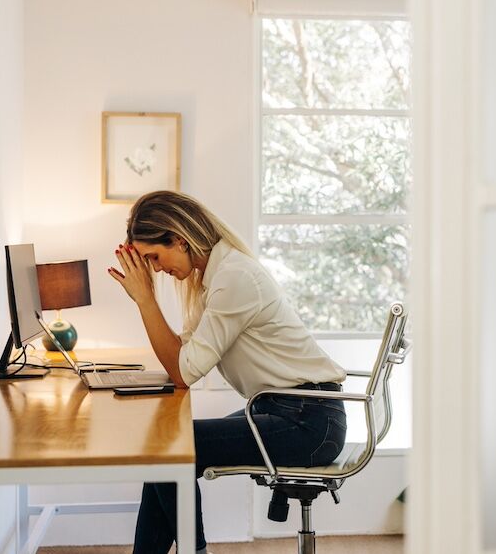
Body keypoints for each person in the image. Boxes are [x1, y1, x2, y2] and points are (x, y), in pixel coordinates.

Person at [109, 190, 347, 554]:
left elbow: (183, 373)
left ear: (179, 239)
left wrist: (145, 300)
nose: (156, 270)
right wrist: (147, 300)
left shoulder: (233, 278)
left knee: (167, 451)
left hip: (310, 421)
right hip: (283, 408)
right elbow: (182, 360)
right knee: (164, 452)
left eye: (154, 257)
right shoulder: (210, 279)